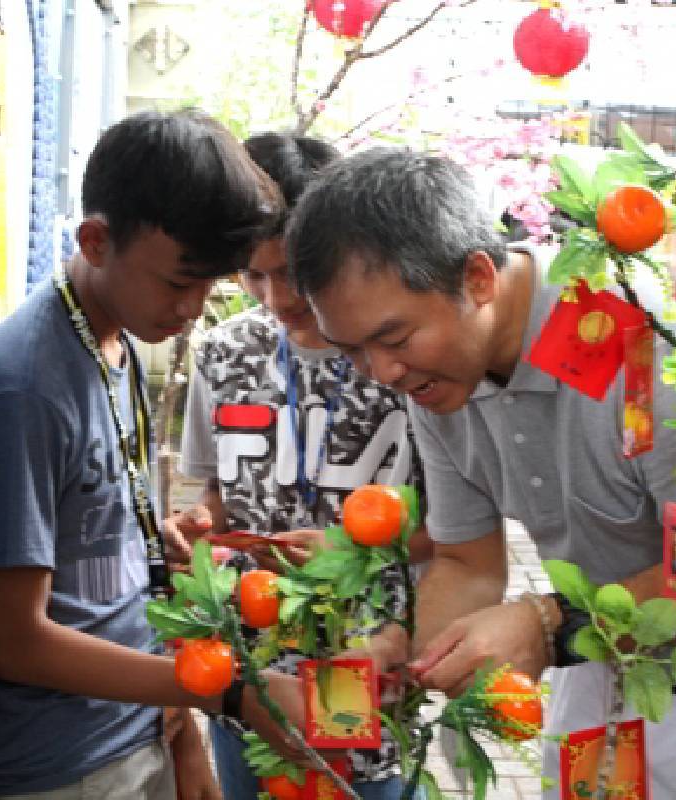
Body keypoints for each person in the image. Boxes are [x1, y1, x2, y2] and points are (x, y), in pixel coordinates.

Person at [283, 147, 676, 798]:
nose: (381, 375)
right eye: (353, 351)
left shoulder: (647, 344)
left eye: (394, 340)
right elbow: (469, 563)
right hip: (600, 677)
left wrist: (549, 626)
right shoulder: (440, 379)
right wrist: (399, 648)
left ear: (477, 279)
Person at [0, 110, 308, 800]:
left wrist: (181, 735)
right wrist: (225, 696)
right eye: (179, 283)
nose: (195, 309)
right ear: (97, 239)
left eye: (212, 288)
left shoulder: (111, 336)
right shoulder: (23, 390)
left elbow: (87, 555)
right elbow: (15, 641)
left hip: (128, 734)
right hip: (58, 765)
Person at [164, 132, 431, 800]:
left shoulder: (404, 360)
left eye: (293, 273)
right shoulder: (226, 355)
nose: (275, 297)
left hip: (363, 656)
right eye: (253, 273)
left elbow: (458, 535)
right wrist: (202, 523)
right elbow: (221, 490)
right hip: (249, 665)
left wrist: (349, 553)